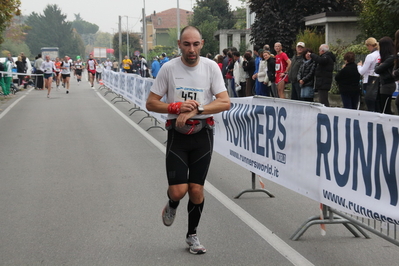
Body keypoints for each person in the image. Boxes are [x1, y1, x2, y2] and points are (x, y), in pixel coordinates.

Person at [146, 25, 230, 255]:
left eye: (195, 44)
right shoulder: (169, 68)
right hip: (178, 135)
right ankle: (172, 205)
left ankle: (192, 235)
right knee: (178, 191)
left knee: (196, 189)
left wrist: (197, 109)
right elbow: (151, 103)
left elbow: (224, 102)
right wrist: (174, 106)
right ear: (179, 45)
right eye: (186, 44)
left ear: (202, 43)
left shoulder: (211, 67)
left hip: (203, 134)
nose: (191, 49)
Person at [357, 37, 381, 112]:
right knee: (377, 104)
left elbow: (362, 71)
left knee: (370, 104)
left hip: (368, 81)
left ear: (369, 45)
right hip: (378, 80)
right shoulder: (381, 54)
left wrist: (359, 65)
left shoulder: (370, 56)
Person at [375, 36, 396, 114]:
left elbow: (377, 69)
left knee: (384, 107)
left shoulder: (390, 58)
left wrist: (378, 65)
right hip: (386, 83)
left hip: (387, 84)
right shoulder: (389, 58)